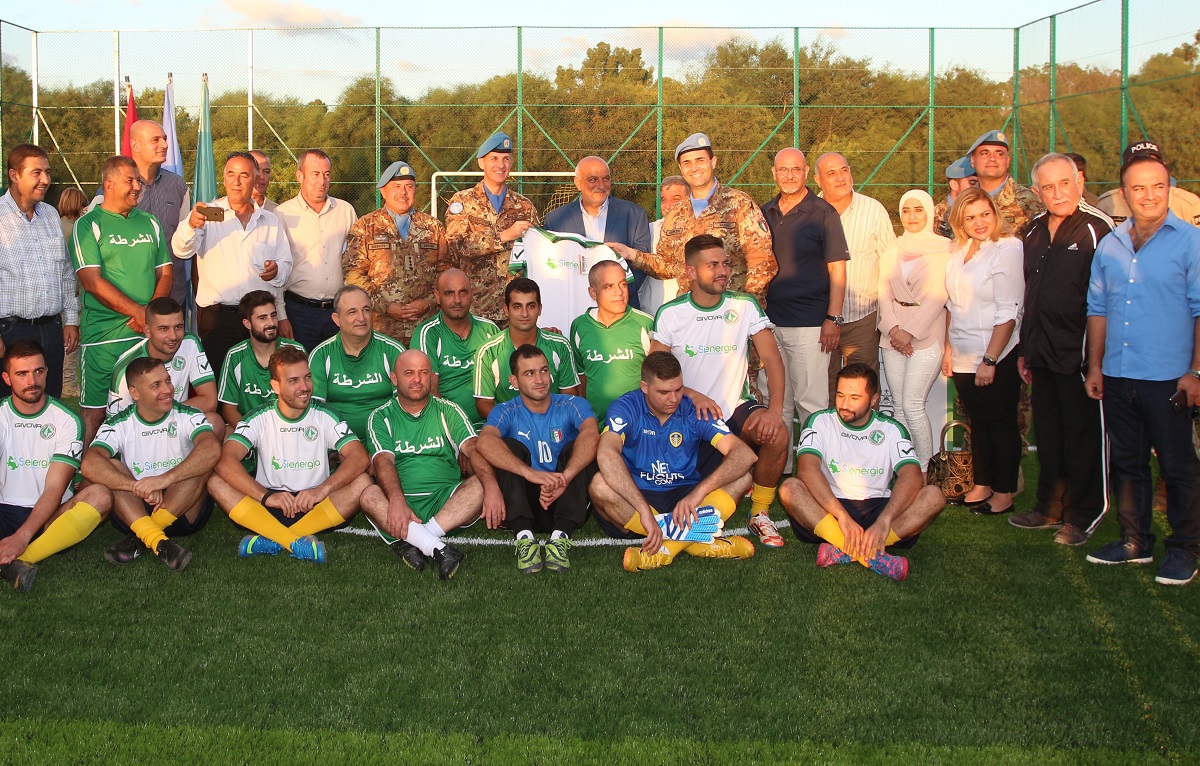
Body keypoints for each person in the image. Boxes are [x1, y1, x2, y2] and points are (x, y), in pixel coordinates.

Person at [1083, 151, 1200, 586]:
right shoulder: (1111, 244)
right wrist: (1095, 366)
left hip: (1170, 378)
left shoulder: (1190, 242)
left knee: (1177, 466)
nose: (1149, 195)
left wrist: (1196, 373)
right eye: (1139, 187)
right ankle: (1135, 541)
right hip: (1118, 373)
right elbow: (1098, 309)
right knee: (1128, 463)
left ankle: (1185, 548)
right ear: (1124, 193)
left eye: (1158, 186)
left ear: (1169, 188)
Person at [650, 234, 790, 548]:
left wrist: (774, 412)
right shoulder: (671, 314)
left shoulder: (745, 306)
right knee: (677, 493)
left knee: (777, 434)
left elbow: (772, 360)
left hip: (736, 407)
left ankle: (760, 513)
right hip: (688, 412)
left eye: (724, 263)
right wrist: (691, 393)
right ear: (690, 272)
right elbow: (654, 373)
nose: (722, 270)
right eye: (712, 265)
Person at [1010, 153, 1113, 545]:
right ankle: (1049, 506)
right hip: (1041, 353)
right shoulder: (1033, 230)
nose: (1058, 193)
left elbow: (1108, 301)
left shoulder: (1098, 229)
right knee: (1050, 434)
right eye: (1048, 187)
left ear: (1079, 183)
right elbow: (1030, 295)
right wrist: (1025, 350)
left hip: (1083, 356)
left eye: (1064, 184)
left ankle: (1085, 513)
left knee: (1083, 436)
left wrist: (1097, 361)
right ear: (1038, 191)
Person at [588, 351, 758, 572]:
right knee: (599, 486)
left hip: (685, 496)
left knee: (743, 476)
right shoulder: (626, 407)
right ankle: (696, 540)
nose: (674, 398)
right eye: (664, 392)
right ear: (644, 387)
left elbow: (745, 454)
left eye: (679, 390)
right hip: (640, 495)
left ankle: (667, 550)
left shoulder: (693, 409)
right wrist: (644, 511)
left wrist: (699, 493)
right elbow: (606, 453)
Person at [779, 363, 947, 581]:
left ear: (874, 399)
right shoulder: (820, 421)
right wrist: (841, 516)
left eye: (855, 397)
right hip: (829, 509)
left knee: (934, 496)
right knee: (790, 488)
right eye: (840, 395)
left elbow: (912, 477)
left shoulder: (891, 429)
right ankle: (870, 554)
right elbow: (807, 470)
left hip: (878, 508)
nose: (845, 404)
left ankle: (847, 546)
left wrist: (884, 521)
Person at [208, 345, 371, 564]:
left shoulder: (325, 414)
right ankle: (293, 540)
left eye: (307, 377)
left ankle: (273, 538)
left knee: (362, 481)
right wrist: (266, 496)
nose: (304, 387)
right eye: (293, 381)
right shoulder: (258, 417)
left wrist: (321, 490)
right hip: (269, 505)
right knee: (216, 482)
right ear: (275, 385)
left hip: (315, 504)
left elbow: (359, 457)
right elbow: (225, 461)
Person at [81, 357, 220, 571]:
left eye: (168, 381)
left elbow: (211, 450)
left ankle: (143, 536)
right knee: (111, 467)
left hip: (183, 506)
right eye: (156, 385)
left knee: (201, 461)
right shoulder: (118, 423)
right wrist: (136, 487)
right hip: (135, 506)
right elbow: (90, 463)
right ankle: (159, 541)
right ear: (135, 393)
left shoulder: (188, 414)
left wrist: (163, 480)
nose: (167, 389)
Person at [72, 155, 173, 445]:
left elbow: (165, 273)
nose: (137, 186)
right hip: (104, 338)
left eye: (138, 181)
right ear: (109, 184)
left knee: (149, 407)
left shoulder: (150, 222)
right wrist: (140, 314)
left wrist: (149, 316)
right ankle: (86, 475)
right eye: (130, 180)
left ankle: (147, 470)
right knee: (95, 413)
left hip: (144, 334)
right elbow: (91, 281)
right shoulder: (87, 224)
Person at [360, 350, 487, 580]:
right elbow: (383, 462)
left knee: (480, 483)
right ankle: (438, 548)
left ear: (431, 378)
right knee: (368, 494)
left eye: (423, 373)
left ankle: (419, 539)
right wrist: (398, 501)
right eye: (409, 373)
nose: (417, 379)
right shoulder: (381, 416)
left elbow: (473, 448)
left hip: (446, 504)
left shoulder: (448, 409)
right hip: (401, 504)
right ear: (394, 378)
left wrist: (494, 488)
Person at [608, 133, 776, 305]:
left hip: (730, 314)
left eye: (700, 160)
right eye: (687, 163)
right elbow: (668, 266)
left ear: (713, 162)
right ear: (681, 169)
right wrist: (632, 254)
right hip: (689, 314)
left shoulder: (739, 204)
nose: (694, 168)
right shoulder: (676, 214)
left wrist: (748, 307)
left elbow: (761, 261)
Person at [0, 341, 112, 594]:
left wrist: (22, 536)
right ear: (7, 378)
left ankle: (22, 557)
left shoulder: (67, 421)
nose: (32, 380)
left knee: (101, 496)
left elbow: (54, 488)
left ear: (47, 371)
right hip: (4, 511)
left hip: (51, 516)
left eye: (38, 371)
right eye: (22, 374)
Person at [476, 345, 599, 573]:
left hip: (567, 495)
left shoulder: (572, 404)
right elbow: (484, 442)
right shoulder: (506, 410)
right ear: (514, 380)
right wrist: (530, 473)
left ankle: (560, 538)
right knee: (508, 447)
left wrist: (564, 478)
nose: (540, 379)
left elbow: (592, 434)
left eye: (543, 370)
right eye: (529, 373)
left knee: (580, 447)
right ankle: (524, 538)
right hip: (527, 501)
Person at [172, 151, 293, 381]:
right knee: (217, 385)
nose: (236, 182)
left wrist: (276, 271)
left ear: (255, 179)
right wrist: (191, 224)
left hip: (259, 319)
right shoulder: (205, 214)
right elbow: (181, 249)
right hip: (217, 320)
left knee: (259, 383)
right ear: (224, 178)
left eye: (244, 175)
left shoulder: (271, 221)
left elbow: (286, 266)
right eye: (231, 174)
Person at [943, 187, 1024, 515]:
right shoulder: (958, 251)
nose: (979, 223)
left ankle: (1004, 492)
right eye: (970, 217)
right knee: (979, 421)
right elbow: (951, 304)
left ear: (995, 214)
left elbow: (1009, 311)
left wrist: (990, 359)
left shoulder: (1007, 248)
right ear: (960, 221)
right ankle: (982, 484)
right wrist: (949, 349)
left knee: (1001, 422)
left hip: (996, 353)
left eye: (984, 215)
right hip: (962, 352)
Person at [762, 147, 850, 442]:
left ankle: (813, 474)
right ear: (774, 173)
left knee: (809, 406)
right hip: (769, 324)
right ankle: (780, 473)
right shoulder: (764, 212)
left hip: (810, 324)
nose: (789, 175)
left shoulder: (824, 213)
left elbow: (838, 270)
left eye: (795, 169)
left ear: (806, 173)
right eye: (783, 170)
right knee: (777, 406)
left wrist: (833, 319)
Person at [876, 190, 952, 471]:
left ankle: (924, 467)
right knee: (897, 407)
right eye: (906, 210)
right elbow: (883, 291)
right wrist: (894, 329)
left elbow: (938, 295)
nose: (912, 216)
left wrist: (909, 332)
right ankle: (902, 465)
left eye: (918, 210)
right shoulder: (892, 249)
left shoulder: (945, 249)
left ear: (929, 212)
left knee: (913, 405)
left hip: (927, 334)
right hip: (892, 334)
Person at [813, 152, 896, 404]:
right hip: (819, 321)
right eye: (831, 173)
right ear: (817, 180)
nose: (840, 178)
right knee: (824, 391)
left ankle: (864, 442)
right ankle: (828, 442)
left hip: (862, 318)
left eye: (844, 170)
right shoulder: (809, 212)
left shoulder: (874, 210)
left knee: (862, 391)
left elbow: (891, 265)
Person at [0, 144, 79, 401]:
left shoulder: (51, 215)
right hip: (10, 333)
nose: (45, 179)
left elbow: (66, 272)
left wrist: (71, 320)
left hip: (52, 330)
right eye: (36, 173)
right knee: (10, 411)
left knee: (50, 405)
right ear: (14, 175)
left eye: (47, 172)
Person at [344, 160, 448, 345]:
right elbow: (353, 274)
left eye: (409, 186)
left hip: (426, 328)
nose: (403, 192)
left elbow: (447, 272)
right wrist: (384, 306)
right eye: (396, 186)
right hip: (380, 327)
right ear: (383, 191)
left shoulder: (433, 228)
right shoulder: (365, 227)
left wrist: (429, 302)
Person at [444, 132, 539, 324]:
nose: (500, 165)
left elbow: (537, 253)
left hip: (515, 310)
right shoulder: (462, 201)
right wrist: (502, 236)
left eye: (506, 159)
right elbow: (455, 246)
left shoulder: (524, 206)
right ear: (481, 163)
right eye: (493, 159)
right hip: (476, 309)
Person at [543, 155, 652, 311]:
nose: (601, 185)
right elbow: (552, 266)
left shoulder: (634, 215)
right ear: (578, 183)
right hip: (572, 310)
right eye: (593, 180)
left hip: (621, 311)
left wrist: (614, 294)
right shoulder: (556, 220)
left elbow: (641, 265)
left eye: (606, 179)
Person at [277, 149, 358, 351]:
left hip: (338, 312)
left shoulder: (345, 211)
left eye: (327, 174)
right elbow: (276, 269)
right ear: (299, 176)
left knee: (339, 372)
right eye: (315, 174)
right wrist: (281, 316)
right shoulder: (282, 214)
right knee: (301, 375)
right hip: (299, 313)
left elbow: (356, 261)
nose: (322, 181)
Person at [473, 277, 581, 421]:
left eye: (530, 306)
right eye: (517, 306)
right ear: (506, 310)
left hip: (554, 425)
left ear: (540, 309)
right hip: (510, 430)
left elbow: (569, 395)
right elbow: (484, 404)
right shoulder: (488, 351)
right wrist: (516, 425)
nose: (524, 314)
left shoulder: (560, 345)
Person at [309, 285, 405, 443]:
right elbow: (316, 413)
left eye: (366, 310)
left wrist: (379, 447)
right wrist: (346, 446)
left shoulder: (393, 351)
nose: (361, 318)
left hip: (388, 439)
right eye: (352, 312)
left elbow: (405, 408)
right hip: (337, 444)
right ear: (336, 319)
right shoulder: (321, 355)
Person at [107, 297, 218, 428]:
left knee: (214, 422)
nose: (173, 336)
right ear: (147, 331)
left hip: (178, 422)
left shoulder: (190, 343)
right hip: (143, 434)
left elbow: (210, 400)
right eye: (164, 329)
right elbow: (116, 427)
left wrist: (166, 416)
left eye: (178, 327)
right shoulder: (125, 368)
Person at [411, 268, 500, 429]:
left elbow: (506, 381)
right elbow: (429, 391)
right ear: (438, 297)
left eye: (463, 292)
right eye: (449, 293)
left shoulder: (489, 329)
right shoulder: (428, 333)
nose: (457, 300)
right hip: (448, 426)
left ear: (472, 293)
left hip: (490, 423)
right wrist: (460, 430)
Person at [569, 259, 654, 422]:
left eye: (623, 284)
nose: (619, 292)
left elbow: (659, 380)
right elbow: (580, 377)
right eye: (609, 286)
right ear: (593, 293)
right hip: (597, 428)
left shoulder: (646, 323)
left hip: (638, 428)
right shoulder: (579, 326)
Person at [217, 290, 306, 430]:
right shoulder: (235, 355)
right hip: (250, 430)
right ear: (247, 323)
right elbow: (229, 408)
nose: (271, 323)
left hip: (289, 428)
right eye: (262, 318)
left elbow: (306, 398)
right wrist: (250, 433)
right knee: (226, 435)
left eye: (273, 315)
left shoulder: (295, 351)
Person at [127, 121, 192, 307]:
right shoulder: (114, 188)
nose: (164, 145)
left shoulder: (178, 187)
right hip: (130, 301)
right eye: (155, 140)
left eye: (164, 139)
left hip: (173, 298)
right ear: (135, 145)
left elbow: (186, 239)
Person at [1096, 141, 1200, 228]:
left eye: (1153, 162)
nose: (1150, 196)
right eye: (1138, 164)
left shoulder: (1189, 205)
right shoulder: (1108, 203)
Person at [966, 130, 1044, 238]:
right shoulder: (964, 201)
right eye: (985, 153)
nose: (992, 158)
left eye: (999, 154)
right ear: (973, 161)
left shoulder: (1026, 200)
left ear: (1007, 161)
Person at [56, 187, 88, 399]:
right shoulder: (77, 229)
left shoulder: (55, 225)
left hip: (54, 294)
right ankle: (68, 385)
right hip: (73, 294)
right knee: (72, 343)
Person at [640, 175, 688, 315]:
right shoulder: (649, 230)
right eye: (664, 200)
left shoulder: (702, 230)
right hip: (653, 314)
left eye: (676, 199)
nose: (668, 206)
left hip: (687, 315)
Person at [933, 156, 978, 239]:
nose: (978, 188)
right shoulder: (935, 217)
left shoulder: (986, 213)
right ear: (954, 185)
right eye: (972, 182)